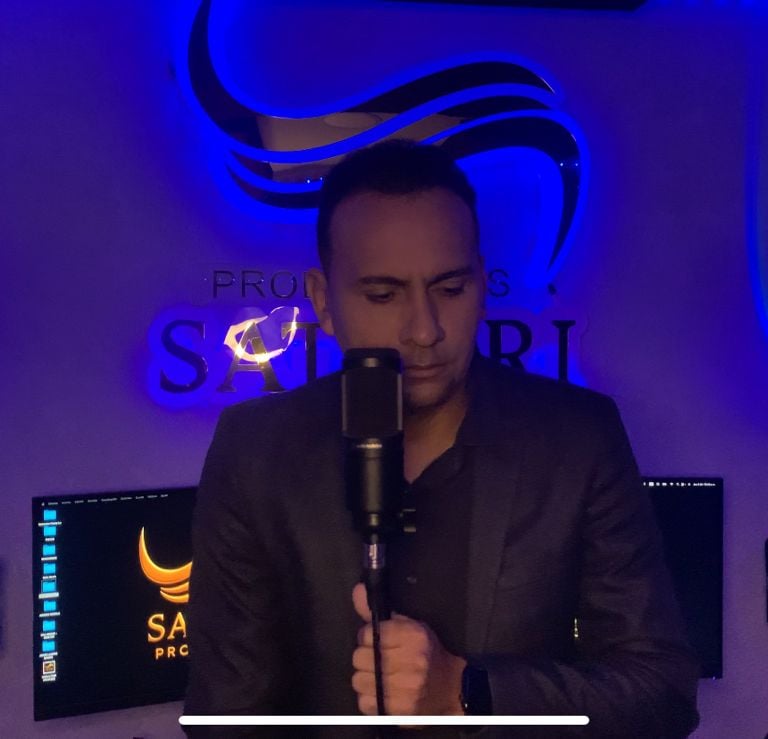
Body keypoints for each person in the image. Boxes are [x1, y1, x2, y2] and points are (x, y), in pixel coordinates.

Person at [184, 139, 700, 737]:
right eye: (383, 295)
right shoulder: (256, 452)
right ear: (324, 301)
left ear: (481, 283)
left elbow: (660, 693)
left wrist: (466, 693)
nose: (424, 330)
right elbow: (225, 719)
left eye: (450, 289)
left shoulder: (577, 438)